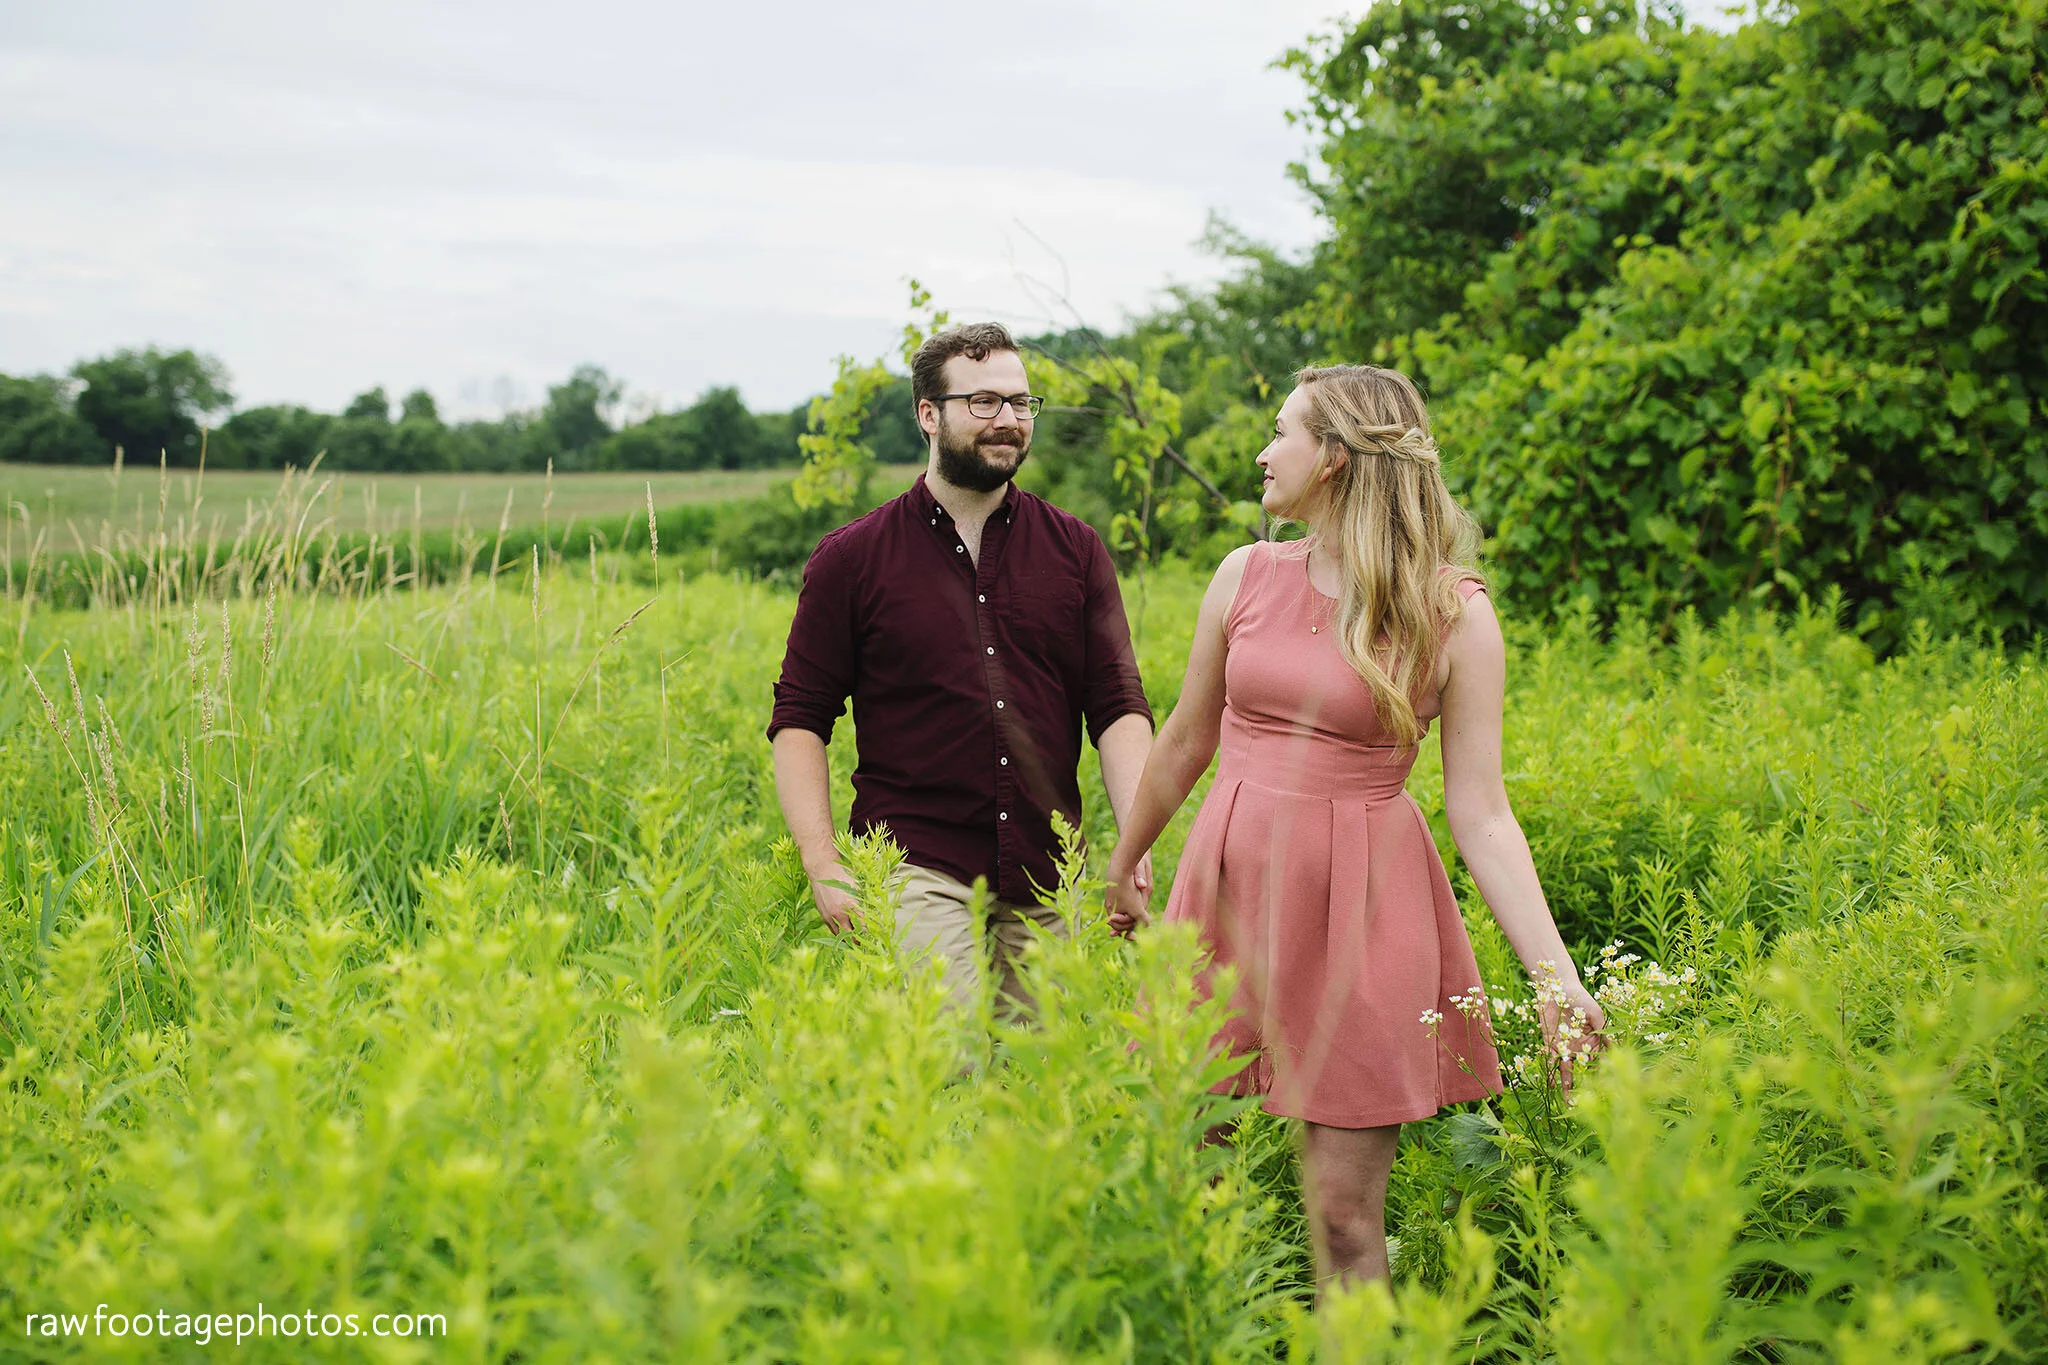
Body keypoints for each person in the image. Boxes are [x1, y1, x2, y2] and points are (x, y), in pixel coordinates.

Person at [1101, 363, 1606, 1290]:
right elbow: (1184, 737)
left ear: (1334, 457)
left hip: (1364, 914)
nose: (1262, 451)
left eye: (1281, 431)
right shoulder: (1244, 574)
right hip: (1224, 896)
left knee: (1341, 1219)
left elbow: (1483, 812)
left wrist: (1557, 982)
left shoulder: (1453, 612)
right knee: (1188, 1179)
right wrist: (1125, 860)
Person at [769, 322, 1156, 1018]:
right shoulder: (851, 560)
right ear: (928, 413)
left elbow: (1118, 706)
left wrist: (1134, 843)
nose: (1008, 419)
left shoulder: (1076, 550)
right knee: (944, 1080)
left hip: (1048, 869)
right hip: (915, 864)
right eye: (983, 402)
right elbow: (800, 718)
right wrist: (823, 863)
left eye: (1020, 402)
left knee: (1044, 1094)